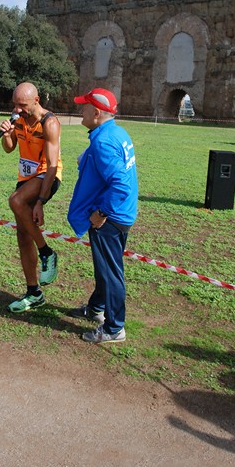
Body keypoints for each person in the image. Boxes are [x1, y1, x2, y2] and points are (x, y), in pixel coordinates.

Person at [68, 88, 138, 343]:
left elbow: (120, 183)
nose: (80, 111)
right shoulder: (116, 131)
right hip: (122, 213)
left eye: (84, 107)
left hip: (110, 218)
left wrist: (100, 213)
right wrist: (86, 159)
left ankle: (114, 328)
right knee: (105, 267)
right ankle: (96, 308)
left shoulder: (103, 142)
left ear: (96, 112)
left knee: (110, 271)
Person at [0, 82, 62, 313]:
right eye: (15, 104)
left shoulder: (50, 122)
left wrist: (41, 202)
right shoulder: (18, 119)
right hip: (25, 178)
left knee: (15, 201)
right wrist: (7, 134)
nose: (17, 109)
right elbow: (9, 148)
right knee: (23, 236)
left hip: (47, 176)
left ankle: (47, 252)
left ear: (36, 101)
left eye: (22, 105)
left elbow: (53, 165)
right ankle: (33, 292)